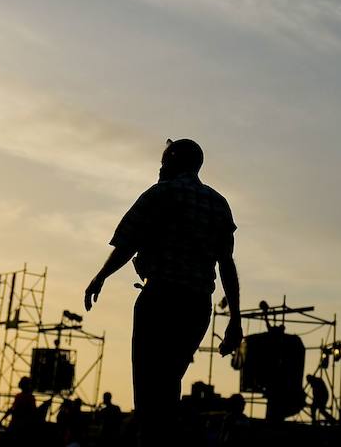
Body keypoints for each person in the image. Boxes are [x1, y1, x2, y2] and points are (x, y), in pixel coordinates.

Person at [85, 137, 243, 446]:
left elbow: (127, 243)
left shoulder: (160, 194)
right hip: (197, 305)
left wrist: (101, 276)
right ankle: (165, 441)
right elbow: (227, 264)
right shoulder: (218, 204)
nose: (160, 166)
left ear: (172, 160)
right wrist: (234, 319)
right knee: (170, 381)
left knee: (149, 386)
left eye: (163, 160)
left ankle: (152, 441)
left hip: (160, 299)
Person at [0, 376, 36, 446]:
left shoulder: (23, 397)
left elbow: (12, 410)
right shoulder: (28, 398)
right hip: (21, 426)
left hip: (18, 426)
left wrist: (2, 419)